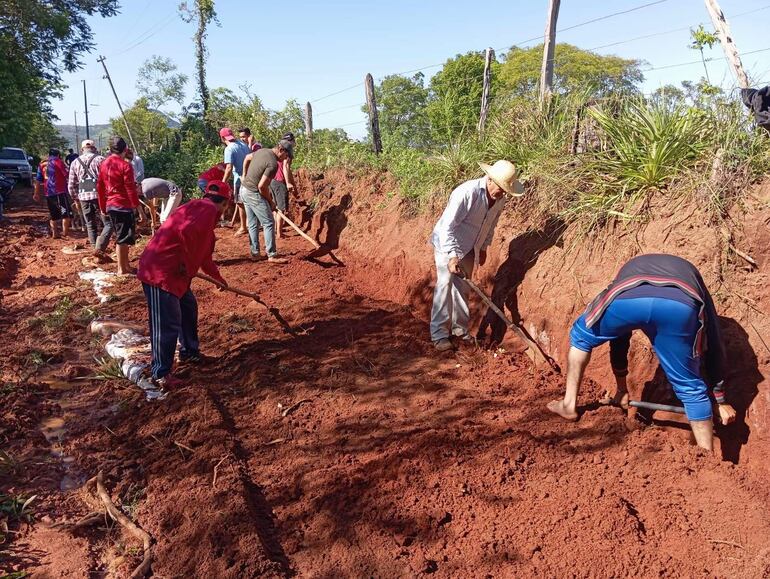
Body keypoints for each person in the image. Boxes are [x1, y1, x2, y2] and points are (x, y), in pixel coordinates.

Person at [547, 253, 738, 452]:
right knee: (691, 388)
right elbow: (714, 341)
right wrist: (720, 399)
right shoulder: (692, 277)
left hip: (629, 298)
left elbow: (619, 339)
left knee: (581, 336)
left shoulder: (626, 272)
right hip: (677, 306)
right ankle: (706, 459)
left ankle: (569, 405)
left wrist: (622, 388)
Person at [136, 180, 231, 389]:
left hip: (176, 274)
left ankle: (189, 353)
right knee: (167, 323)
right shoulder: (205, 209)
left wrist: (219, 280)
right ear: (224, 203)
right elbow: (187, 232)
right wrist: (186, 264)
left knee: (188, 308)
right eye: (226, 206)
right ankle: (160, 373)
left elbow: (205, 259)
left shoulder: (206, 223)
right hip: (160, 272)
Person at [429, 160, 524, 352]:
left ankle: (460, 331)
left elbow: (491, 224)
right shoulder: (466, 193)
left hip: (470, 247)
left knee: (463, 289)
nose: (502, 194)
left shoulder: (500, 199)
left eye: (506, 190)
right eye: (501, 188)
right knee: (445, 285)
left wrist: (482, 248)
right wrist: (452, 255)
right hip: (448, 244)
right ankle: (439, 335)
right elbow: (448, 227)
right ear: (489, 179)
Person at [240, 140, 293, 264]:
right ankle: (272, 254)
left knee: (253, 223)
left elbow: (247, 158)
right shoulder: (273, 164)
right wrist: (271, 202)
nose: (286, 158)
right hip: (253, 192)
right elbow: (262, 187)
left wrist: (244, 174)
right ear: (281, 150)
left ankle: (255, 253)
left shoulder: (262, 151)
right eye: (287, 155)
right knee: (269, 222)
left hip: (244, 189)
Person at [97, 136, 139, 275]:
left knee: (124, 236)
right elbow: (130, 188)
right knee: (122, 237)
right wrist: (136, 206)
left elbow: (100, 188)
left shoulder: (104, 164)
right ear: (125, 149)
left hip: (111, 204)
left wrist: (103, 207)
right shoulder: (125, 165)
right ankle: (122, 269)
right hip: (122, 205)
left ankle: (126, 266)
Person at [68, 139, 112, 254]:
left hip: (83, 197)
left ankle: (94, 248)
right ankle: (100, 246)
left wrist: (75, 199)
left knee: (90, 224)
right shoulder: (101, 159)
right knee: (108, 222)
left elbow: (71, 185)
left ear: (82, 149)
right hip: (100, 195)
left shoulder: (75, 162)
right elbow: (109, 179)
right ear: (94, 148)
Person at [33, 148, 73, 238]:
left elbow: (38, 180)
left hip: (48, 192)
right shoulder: (58, 161)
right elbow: (66, 174)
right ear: (58, 155)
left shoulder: (42, 164)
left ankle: (55, 233)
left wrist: (36, 193)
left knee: (53, 214)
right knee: (65, 213)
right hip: (60, 191)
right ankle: (65, 234)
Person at [219, 127, 250, 235]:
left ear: (222, 138)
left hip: (239, 179)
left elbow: (228, 168)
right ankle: (250, 224)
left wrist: (222, 183)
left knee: (241, 203)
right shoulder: (243, 145)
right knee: (249, 202)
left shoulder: (229, 149)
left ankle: (243, 227)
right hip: (250, 177)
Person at [270, 132, 298, 240]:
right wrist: (288, 183)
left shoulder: (279, 149)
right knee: (281, 209)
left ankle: (276, 230)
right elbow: (286, 168)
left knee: (275, 208)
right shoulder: (288, 151)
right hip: (280, 181)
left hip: (272, 180)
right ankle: (279, 233)